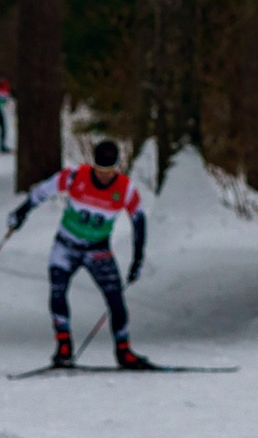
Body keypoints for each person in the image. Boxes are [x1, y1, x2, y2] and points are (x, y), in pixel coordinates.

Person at [9, 137, 151, 369]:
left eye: (110, 170)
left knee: (115, 298)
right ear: (93, 164)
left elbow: (139, 222)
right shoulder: (76, 176)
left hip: (98, 250)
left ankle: (124, 351)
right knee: (58, 290)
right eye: (100, 169)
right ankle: (63, 347)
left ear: (117, 167)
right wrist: (21, 213)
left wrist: (137, 259)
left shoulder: (125, 189)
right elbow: (42, 192)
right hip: (66, 245)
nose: (105, 175)